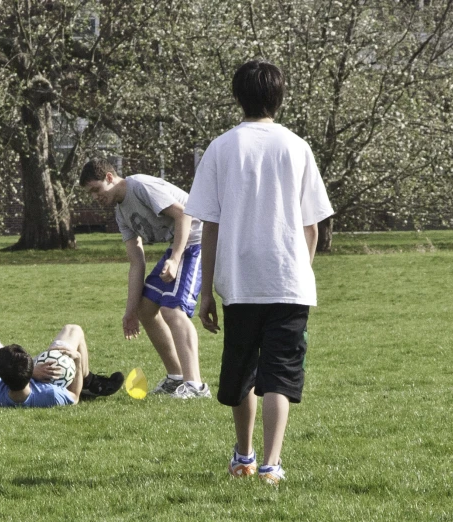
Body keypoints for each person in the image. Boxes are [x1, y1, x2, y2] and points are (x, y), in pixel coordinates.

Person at [184, 60, 334, 485]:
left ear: (238, 96)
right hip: (289, 282)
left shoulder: (221, 148)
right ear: (279, 97)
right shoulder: (297, 146)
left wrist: (207, 290)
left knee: (244, 371)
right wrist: (301, 272)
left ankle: (243, 457)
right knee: (280, 376)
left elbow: (208, 225)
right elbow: (312, 225)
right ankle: (271, 464)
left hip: (241, 282)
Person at [79, 159, 210, 399]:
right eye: (90, 194)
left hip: (199, 239)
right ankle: (176, 377)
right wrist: (130, 311)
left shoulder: (140, 187)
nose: (95, 197)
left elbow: (184, 216)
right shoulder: (121, 213)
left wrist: (175, 259)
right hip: (179, 246)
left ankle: (195, 386)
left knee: (173, 310)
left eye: (96, 189)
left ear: (110, 177)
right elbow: (136, 262)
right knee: (145, 308)